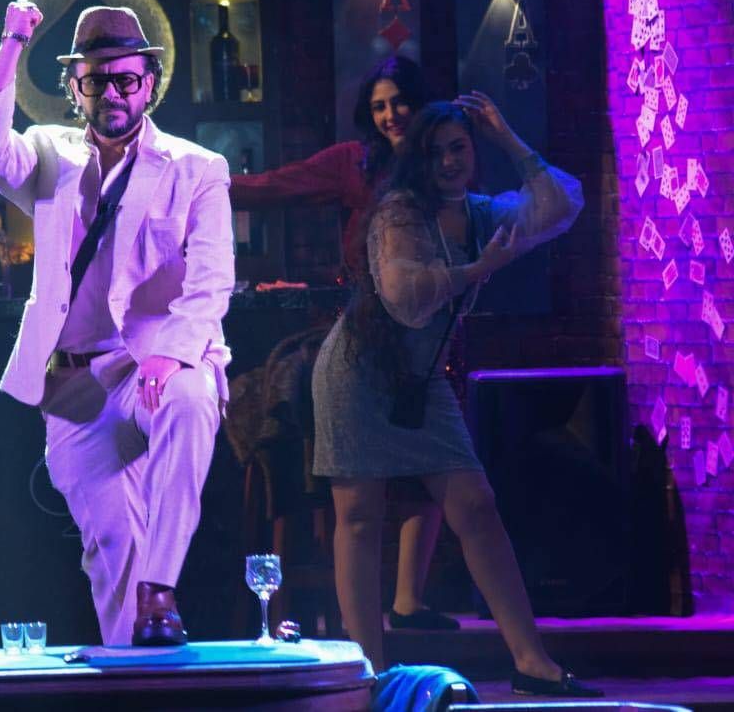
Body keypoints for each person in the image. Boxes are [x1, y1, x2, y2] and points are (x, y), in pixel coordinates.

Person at [311, 95, 601, 697]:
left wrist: (507, 136)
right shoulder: (399, 211)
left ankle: (532, 662)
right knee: (360, 519)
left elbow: (562, 203)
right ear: (418, 157)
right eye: (436, 151)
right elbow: (404, 299)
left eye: (459, 148)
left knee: (476, 504)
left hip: (420, 380)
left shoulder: (480, 212)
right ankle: (367, 674)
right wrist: (478, 270)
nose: (448, 161)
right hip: (360, 372)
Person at [0, 1, 235, 647]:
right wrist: (12, 41)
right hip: (76, 383)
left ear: (149, 82)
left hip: (153, 367)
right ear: (74, 86)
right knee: (112, 552)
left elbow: (211, 282)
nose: (111, 92)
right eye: (95, 79)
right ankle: (136, 673)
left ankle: (161, 586)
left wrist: (172, 353)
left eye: (126, 78)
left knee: (191, 397)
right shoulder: (46, 154)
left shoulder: (198, 168)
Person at [231, 56, 458, 631]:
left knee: (432, 467)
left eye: (399, 102)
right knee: (362, 482)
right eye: (379, 106)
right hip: (368, 333)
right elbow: (273, 185)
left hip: (429, 332)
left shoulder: (442, 160)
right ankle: (360, 630)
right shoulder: (356, 163)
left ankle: (408, 601)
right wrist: (199, 183)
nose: (391, 115)